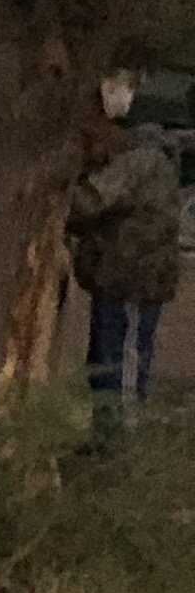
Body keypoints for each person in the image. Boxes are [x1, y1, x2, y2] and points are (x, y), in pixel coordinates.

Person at [69, 76, 180, 425]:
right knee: (105, 360)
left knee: (123, 360)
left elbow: (90, 200)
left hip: (131, 277)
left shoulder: (138, 160)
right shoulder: (145, 157)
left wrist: (54, 191)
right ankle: (107, 435)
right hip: (118, 275)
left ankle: (123, 438)